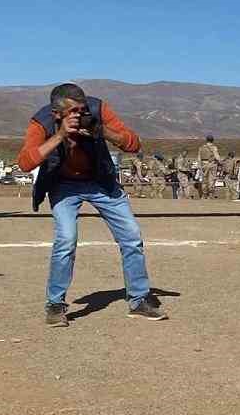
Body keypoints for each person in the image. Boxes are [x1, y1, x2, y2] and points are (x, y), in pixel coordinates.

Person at [16, 82, 168, 327]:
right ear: (57, 114)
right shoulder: (41, 122)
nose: (81, 115)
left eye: (83, 109)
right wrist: (60, 136)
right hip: (62, 184)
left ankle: (139, 300)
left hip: (100, 182)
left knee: (131, 235)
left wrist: (102, 131)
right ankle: (55, 305)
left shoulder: (98, 111)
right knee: (66, 239)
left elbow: (134, 144)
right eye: (74, 112)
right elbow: (25, 162)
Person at [197, 135, 222, 199]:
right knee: (211, 180)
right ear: (212, 140)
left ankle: (204, 195)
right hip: (212, 164)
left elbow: (199, 158)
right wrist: (220, 162)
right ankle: (210, 195)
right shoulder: (213, 147)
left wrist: (199, 166)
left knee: (204, 180)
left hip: (203, 164)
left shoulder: (201, 148)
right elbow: (217, 157)